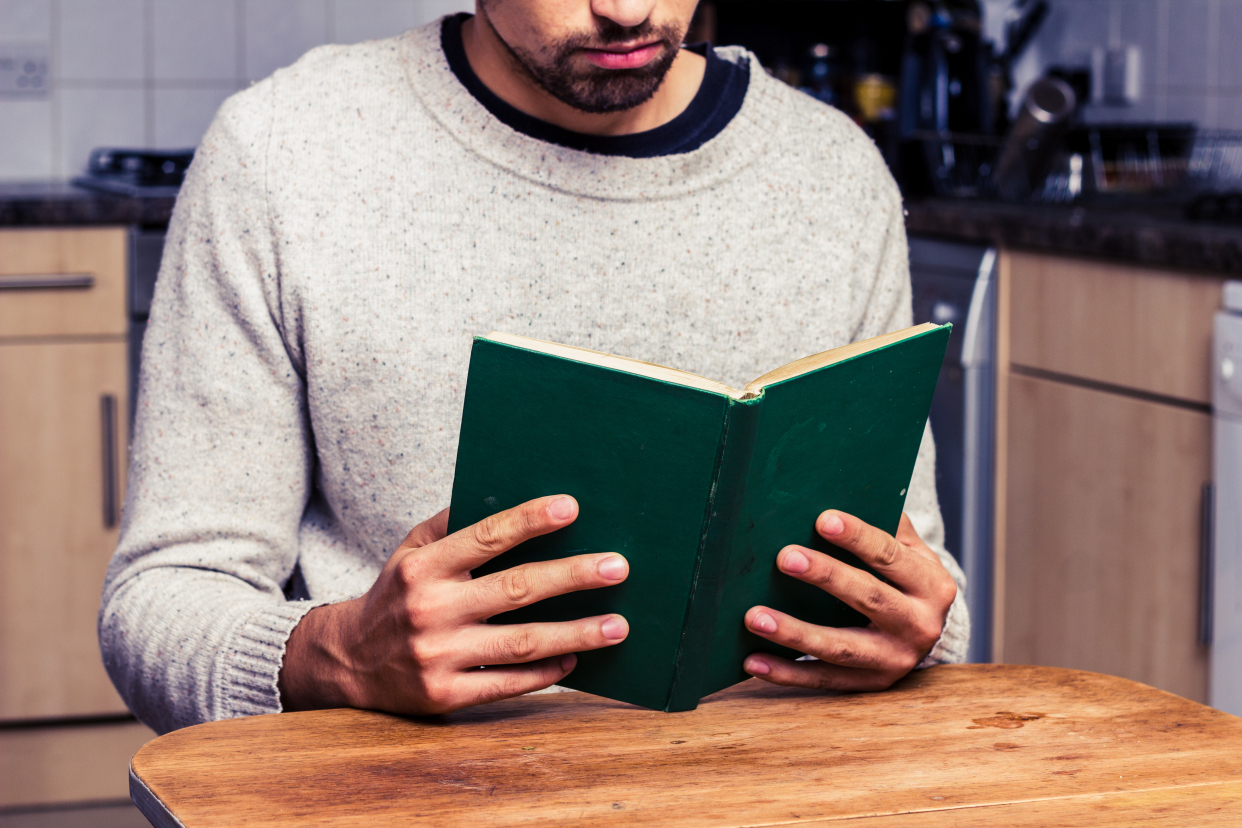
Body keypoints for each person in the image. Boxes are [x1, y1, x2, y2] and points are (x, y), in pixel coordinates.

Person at [100, 0, 969, 735]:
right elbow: (158, 604)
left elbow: (924, 582)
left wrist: (917, 628)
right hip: (411, 800)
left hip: (770, 792)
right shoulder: (281, 151)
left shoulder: (833, 173)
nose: (629, 10)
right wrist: (341, 656)